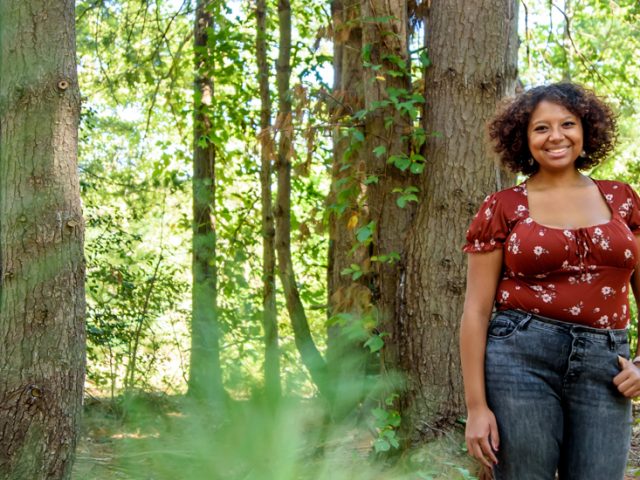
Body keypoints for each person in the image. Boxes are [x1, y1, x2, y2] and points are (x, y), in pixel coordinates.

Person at [460, 82, 640, 480]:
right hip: (519, 359)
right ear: (524, 139)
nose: (556, 136)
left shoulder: (623, 199)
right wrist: (476, 408)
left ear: (586, 130)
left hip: (606, 364)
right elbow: (475, 310)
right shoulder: (503, 207)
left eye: (567, 124)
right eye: (541, 128)